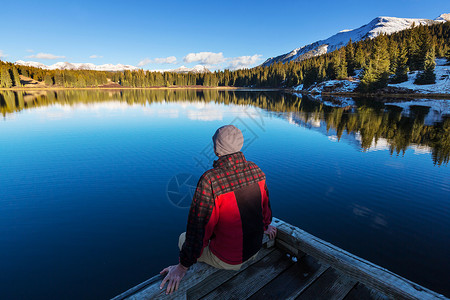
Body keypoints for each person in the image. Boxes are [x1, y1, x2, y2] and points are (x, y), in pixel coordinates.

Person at [160, 125, 276, 295]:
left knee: (183, 238)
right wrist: (265, 226)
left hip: (230, 259)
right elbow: (265, 209)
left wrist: (182, 266)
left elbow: (198, 229)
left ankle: (189, 267)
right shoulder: (256, 171)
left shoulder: (211, 180)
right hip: (255, 248)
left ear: (216, 149)